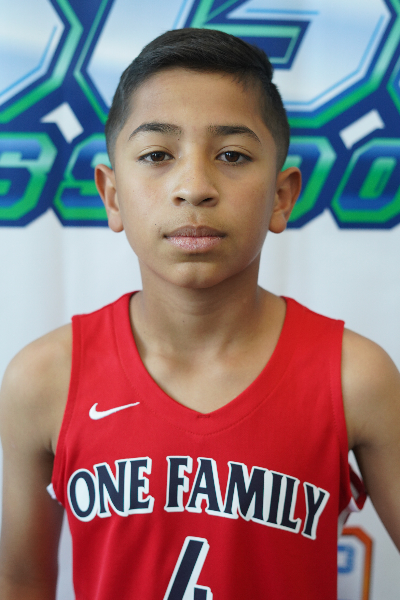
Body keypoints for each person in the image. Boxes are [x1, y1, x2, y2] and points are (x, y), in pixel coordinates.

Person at [0, 27, 399, 600]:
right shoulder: (43, 379)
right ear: (112, 195)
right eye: (157, 155)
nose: (194, 187)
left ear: (282, 196)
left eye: (232, 155)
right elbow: (21, 579)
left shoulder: (354, 376)